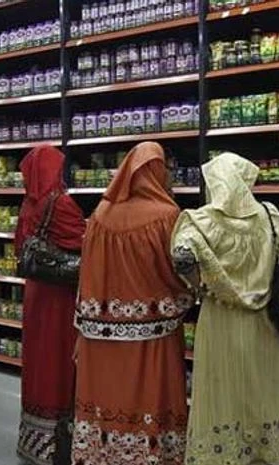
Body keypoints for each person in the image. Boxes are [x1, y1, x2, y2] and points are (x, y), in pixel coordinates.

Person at [171, 152, 279, 465]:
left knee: (223, 392)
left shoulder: (201, 222)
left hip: (223, 322)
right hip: (270, 323)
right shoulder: (270, 215)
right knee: (266, 392)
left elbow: (182, 258)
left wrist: (201, 284)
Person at [72, 141, 192, 465]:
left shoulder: (99, 215)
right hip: (152, 341)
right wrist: (187, 295)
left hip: (99, 340)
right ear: (156, 171)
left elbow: (86, 273)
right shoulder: (167, 215)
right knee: (151, 402)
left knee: (104, 401)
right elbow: (176, 277)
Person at [14, 145, 86, 465]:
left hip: (36, 294)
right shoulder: (60, 203)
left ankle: (35, 440)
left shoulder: (27, 205)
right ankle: (61, 440)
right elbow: (82, 242)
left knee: (38, 363)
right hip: (60, 297)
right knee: (60, 362)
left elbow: (19, 247)